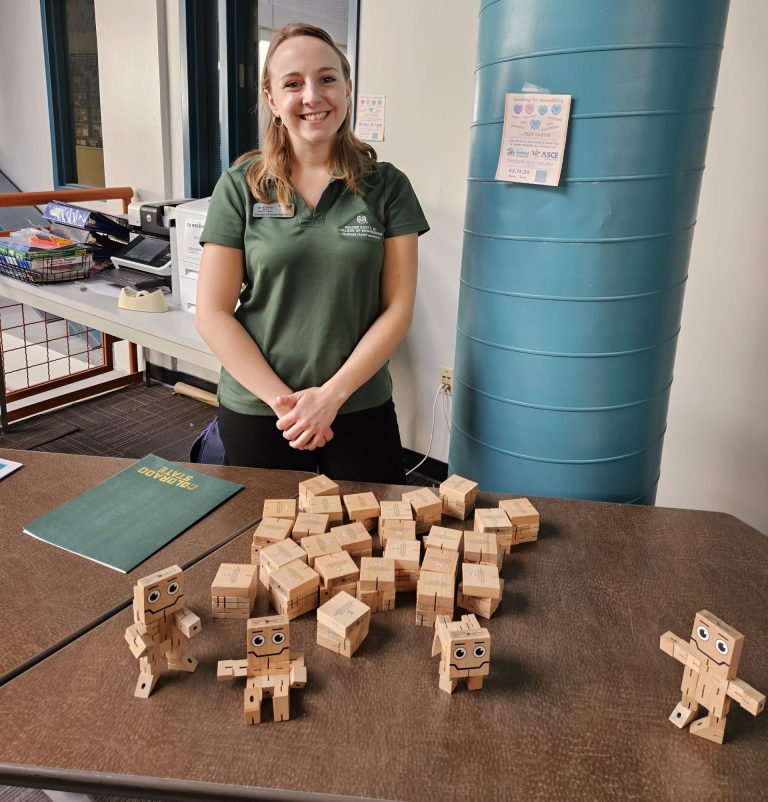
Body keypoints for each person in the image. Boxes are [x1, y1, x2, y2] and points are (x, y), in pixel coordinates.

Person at [196, 22, 429, 483]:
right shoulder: (241, 187)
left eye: (326, 79)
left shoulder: (388, 187)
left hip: (358, 402)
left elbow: (397, 308)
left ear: (346, 87)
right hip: (263, 407)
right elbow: (212, 312)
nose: (312, 96)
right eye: (293, 83)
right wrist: (288, 403)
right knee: (266, 541)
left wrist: (331, 397)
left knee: (372, 537)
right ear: (272, 100)